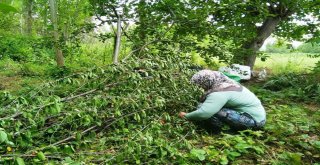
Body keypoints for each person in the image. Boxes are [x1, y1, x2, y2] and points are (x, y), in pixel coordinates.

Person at [179, 69, 266, 132]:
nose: (198, 87)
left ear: (205, 83)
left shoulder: (219, 93)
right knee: (207, 105)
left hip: (253, 121)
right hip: (257, 117)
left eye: (199, 85)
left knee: (201, 106)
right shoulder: (226, 83)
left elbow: (204, 113)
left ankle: (217, 131)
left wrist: (186, 116)